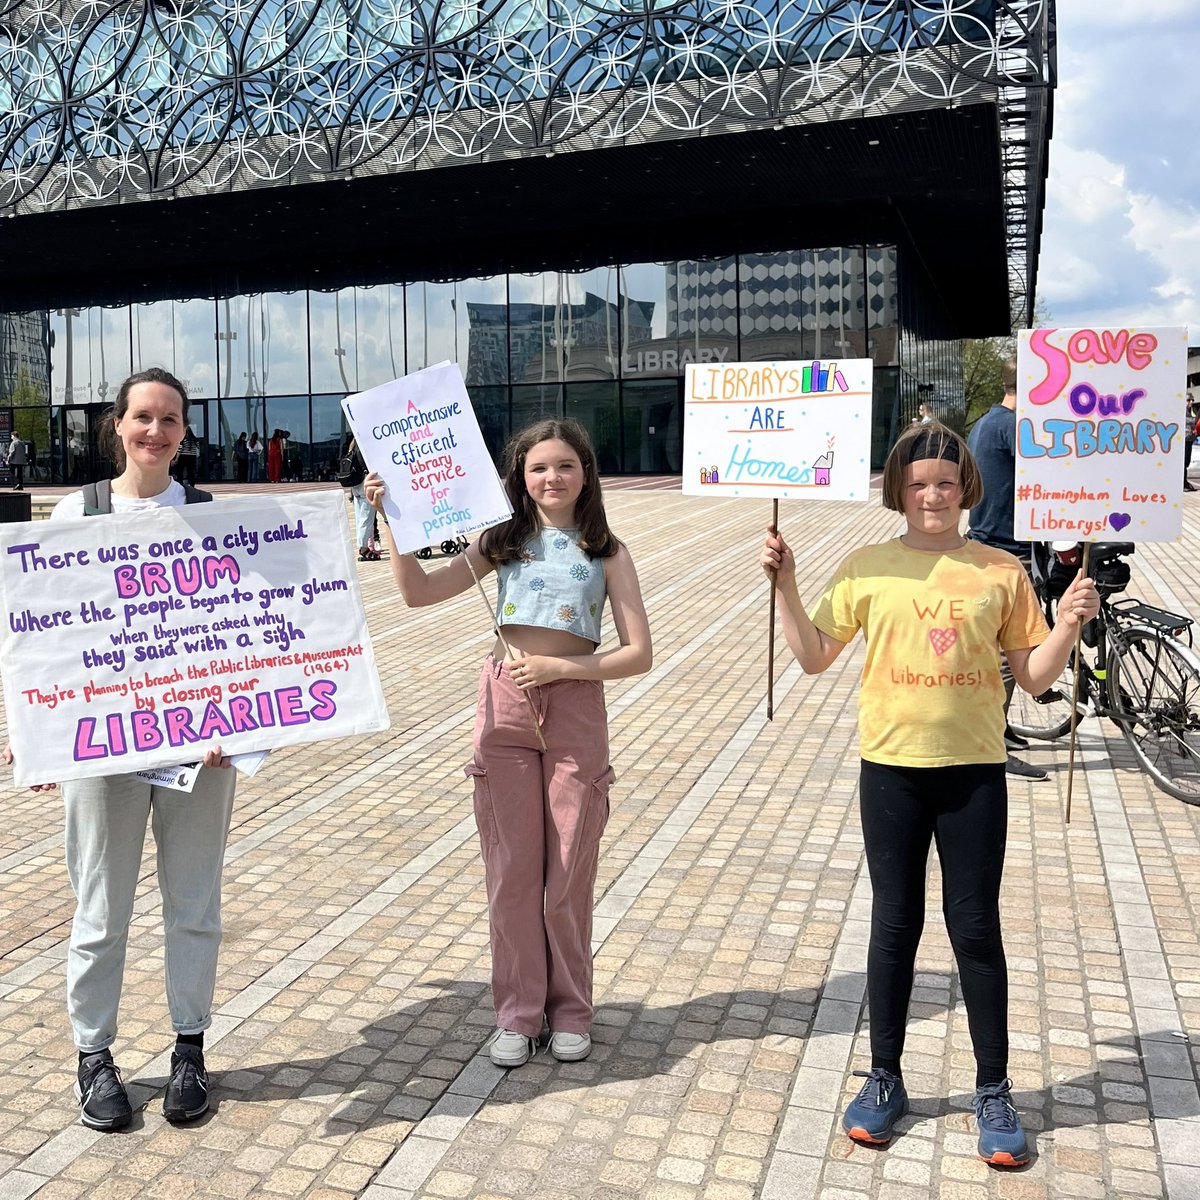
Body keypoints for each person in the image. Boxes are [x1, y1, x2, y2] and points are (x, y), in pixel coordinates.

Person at [760, 422, 1098, 1166]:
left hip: (973, 772)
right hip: (891, 769)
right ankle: (883, 1079)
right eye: (918, 483)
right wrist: (785, 585)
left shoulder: (999, 570)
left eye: (945, 481)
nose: (933, 493)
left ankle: (993, 1088)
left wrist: (1068, 623)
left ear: (965, 486)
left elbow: (1035, 678)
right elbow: (814, 658)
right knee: (894, 924)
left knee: (974, 927)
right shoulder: (867, 566)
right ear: (899, 491)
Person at [365, 419, 652, 1068]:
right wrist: (389, 518)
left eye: (565, 467)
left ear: (586, 474)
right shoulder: (502, 541)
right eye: (538, 469)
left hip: (576, 711)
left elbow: (638, 653)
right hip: (505, 713)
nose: (552, 478)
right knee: (513, 874)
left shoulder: (608, 551)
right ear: (519, 479)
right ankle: (519, 1014)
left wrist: (562, 670)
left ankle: (571, 1009)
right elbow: (418, 594)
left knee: (568, 872)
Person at [4, 367, 236, 1132]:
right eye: (143, 416)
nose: (156, 431)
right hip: (104, 748)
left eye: (170, 420)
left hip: (200, 749)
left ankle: (189, 1050)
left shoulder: (209, 516)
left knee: (193, 905)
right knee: (101, 908)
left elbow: (252, 632)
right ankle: (94, 1056)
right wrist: (38, 730)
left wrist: (238, 719)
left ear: (183, 432)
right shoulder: (77, 511)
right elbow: (41, 632)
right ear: (118, 424)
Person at [966, 358, 1050, 780]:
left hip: (986, 540)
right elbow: (1049, 475)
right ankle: (992, 743)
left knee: (1003, 646)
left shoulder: (985, 423)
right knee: (1007, 652)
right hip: (1006, 548)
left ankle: (999, 728)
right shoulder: (1015, 428)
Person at [340, 435, 377, 561]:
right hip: (364, 484)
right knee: (367, 517)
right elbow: (365, 467)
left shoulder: (352, 448)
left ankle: (363, 545)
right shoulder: (363, 449)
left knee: (359, 518)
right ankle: (363, 547)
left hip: (355, 485)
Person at [1185, 394, 1197, 493]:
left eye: (1192, 400)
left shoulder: (1192, 412)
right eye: (1189, 400)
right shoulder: (1181, 412)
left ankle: (1184, 481)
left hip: (1190, 440)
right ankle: (1183, 483)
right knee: (1184, 462)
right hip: (1183, 440)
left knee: (1187, 462)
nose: (1191, 402)